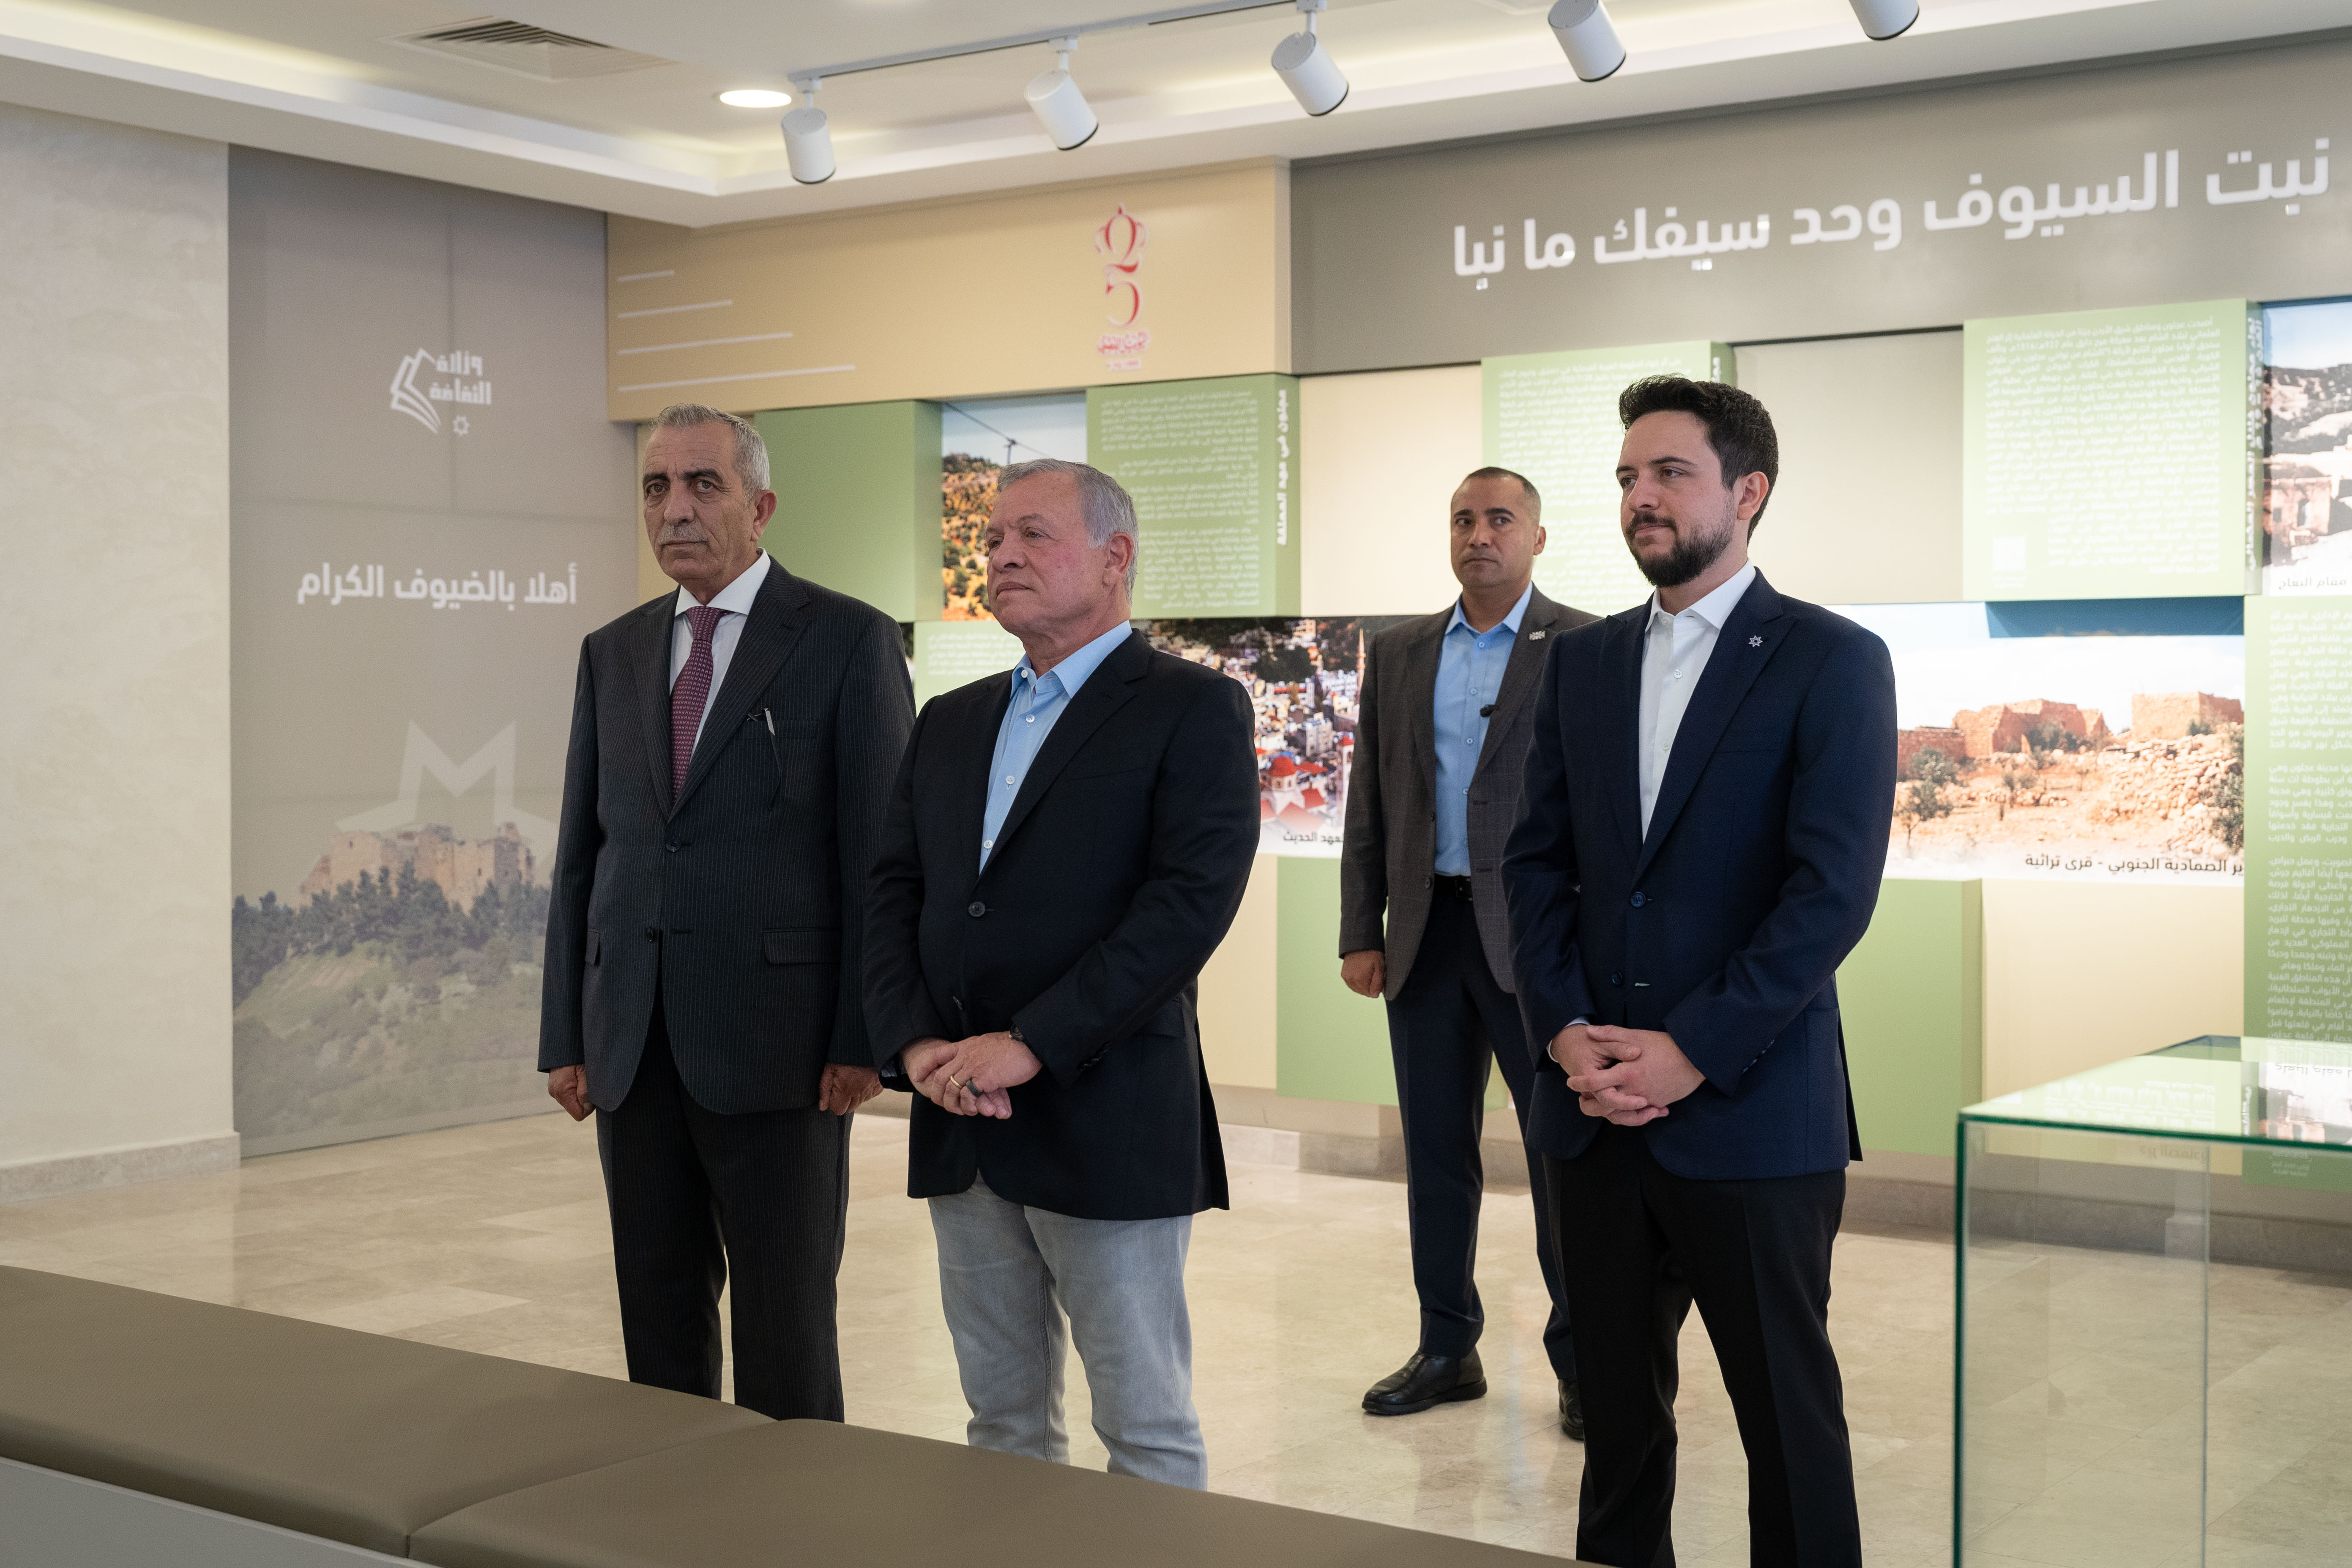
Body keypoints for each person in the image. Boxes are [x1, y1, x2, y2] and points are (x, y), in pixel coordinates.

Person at [1502, 377, 1895, 1568]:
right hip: (1591, 1117)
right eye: (1628, 476)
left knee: (1788, 1426)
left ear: (1747, 491)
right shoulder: (1581, 662)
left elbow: (1827, 895)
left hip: (1752, 1116)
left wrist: (1691, 1049)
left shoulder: (1832, 659)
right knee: (1615, 1431)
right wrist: (1561, 1027)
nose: (1641, 496)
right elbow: (1535, 863)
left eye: (1670, 472)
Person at [863, 457, 1258, 1490]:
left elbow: (1185, 909)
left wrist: (1031, 1042)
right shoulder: (951, 719)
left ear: (1115, 557)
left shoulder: (1192, 708)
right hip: (961, 1119)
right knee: (999, 1420)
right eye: (992, 539)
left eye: (1031, 535)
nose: (999, 555)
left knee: (1143, 1427)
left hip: (1106, 1114)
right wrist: (914, 1042)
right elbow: (893, 890)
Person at [539, 402, 913, 1421]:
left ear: (762, 506)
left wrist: (863, 1037)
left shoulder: (848, 640)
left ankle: (791, 1505)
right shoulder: (612, 652)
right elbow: (583, 858)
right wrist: (567, 1034)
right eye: (656, 487)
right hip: (633, 1045)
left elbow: (881, 862)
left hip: (782, 1050)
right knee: (656, 1319)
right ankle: (672, 1496)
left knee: (786, 1328)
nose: (676, 508)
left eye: (703, 484)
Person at [1338, 467, 1596, 1434]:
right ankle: (1447, 1345)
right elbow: (1370, 797)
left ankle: (1583, 1358)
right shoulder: (1400, 651)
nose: (1478, 534)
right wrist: (1358, 928)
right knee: (1436, 1153)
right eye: (1462, 519)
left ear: (1537, 536)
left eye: (1499, 519)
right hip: (1424, 935)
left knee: (1558, 1155)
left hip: (1537, 941)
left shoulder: (1586, 645)